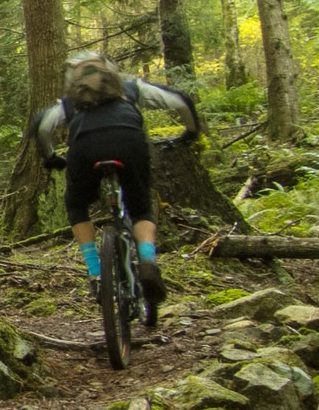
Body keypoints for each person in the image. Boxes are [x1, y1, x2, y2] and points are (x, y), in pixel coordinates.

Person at [31, 51, 203, 307]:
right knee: (141, 206)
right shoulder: (132, 88)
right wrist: (190, 133)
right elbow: (180, 101)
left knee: (77, 204)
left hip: (85, 147)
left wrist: (50, 157)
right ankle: (147, 261)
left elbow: (42, 125)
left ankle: (95, 273)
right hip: (129, 141)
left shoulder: (70, 103)